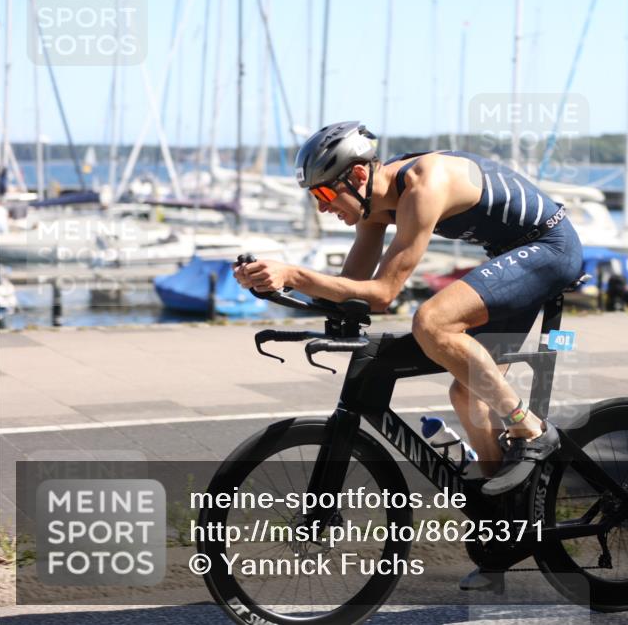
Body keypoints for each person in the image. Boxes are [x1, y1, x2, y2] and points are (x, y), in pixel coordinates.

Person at [234, 120, 583, 501]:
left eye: (323, 191)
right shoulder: (373, 205)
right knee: (466, 394)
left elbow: (383, 294)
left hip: (550, 247)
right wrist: (274, 283)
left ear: (357, 175)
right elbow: (352, 284)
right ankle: (506, 510)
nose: (321, 206)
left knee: (432, 322)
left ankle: (530, 428)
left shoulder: (424, 185)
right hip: (511, 256)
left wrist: (295, 274)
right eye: (313, 196)